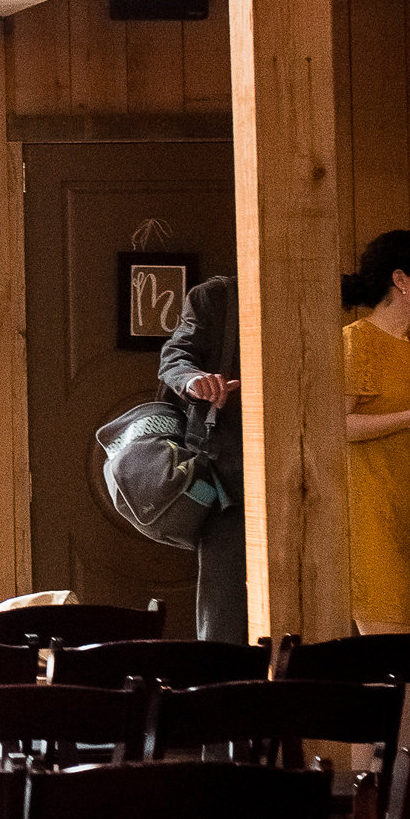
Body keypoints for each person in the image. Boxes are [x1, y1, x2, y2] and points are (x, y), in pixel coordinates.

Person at [340, 227, 410, 636]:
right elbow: (338, 426)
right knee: (390, 662)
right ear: (401, 279)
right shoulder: (356, 342)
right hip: (372, 520)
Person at [157, 270, 244, 640]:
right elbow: (175, 358)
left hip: (313, 472)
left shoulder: (322, 292)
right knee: (225, 613)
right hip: (230, 478)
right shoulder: (218, 297)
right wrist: (193, 381)